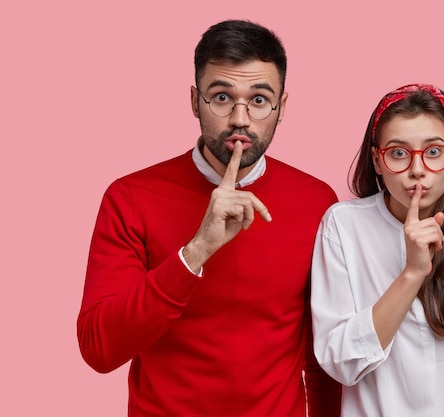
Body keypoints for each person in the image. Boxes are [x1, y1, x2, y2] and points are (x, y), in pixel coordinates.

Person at [77, 19, 341, 417]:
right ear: (194, 100)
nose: (239, 118)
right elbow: (99, 349)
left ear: (281, 106)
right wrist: (196, 251)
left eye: (258, 99)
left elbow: (322, 355)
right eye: (221, 97)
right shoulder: (130, 197)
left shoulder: (317, 201)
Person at [310, 83, 444, 416]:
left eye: (433, 152)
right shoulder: (343, 225)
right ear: (377, 160)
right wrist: (412, 273)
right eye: (398, 153)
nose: (417, 169)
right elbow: (340, 360)